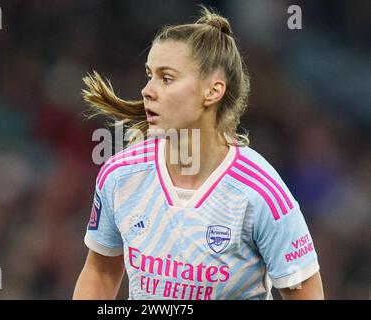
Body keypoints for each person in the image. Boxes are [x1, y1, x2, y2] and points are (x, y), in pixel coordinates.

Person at [73, 6, 324, 300]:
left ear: (212, 91)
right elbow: (100, 272)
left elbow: (305, 294)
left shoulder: (260, 193)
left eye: (166, 78)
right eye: (149, 75)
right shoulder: (120, 175)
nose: (147, 90)